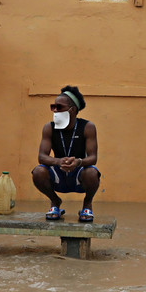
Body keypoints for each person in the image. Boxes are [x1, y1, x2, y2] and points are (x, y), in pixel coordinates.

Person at [32, 86, 100, 222]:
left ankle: (87, 204)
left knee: (92, 173)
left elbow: (93, 158)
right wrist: (58, 161)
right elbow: (42, 157)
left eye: (59, 107)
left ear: (72, 110)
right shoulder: (49, 127)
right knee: (38, 172)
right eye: (53, 107)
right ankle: (55, 201)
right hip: (58, 171)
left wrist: (78, 162)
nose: (55, 110)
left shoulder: (87, 127)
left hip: (79, 172)